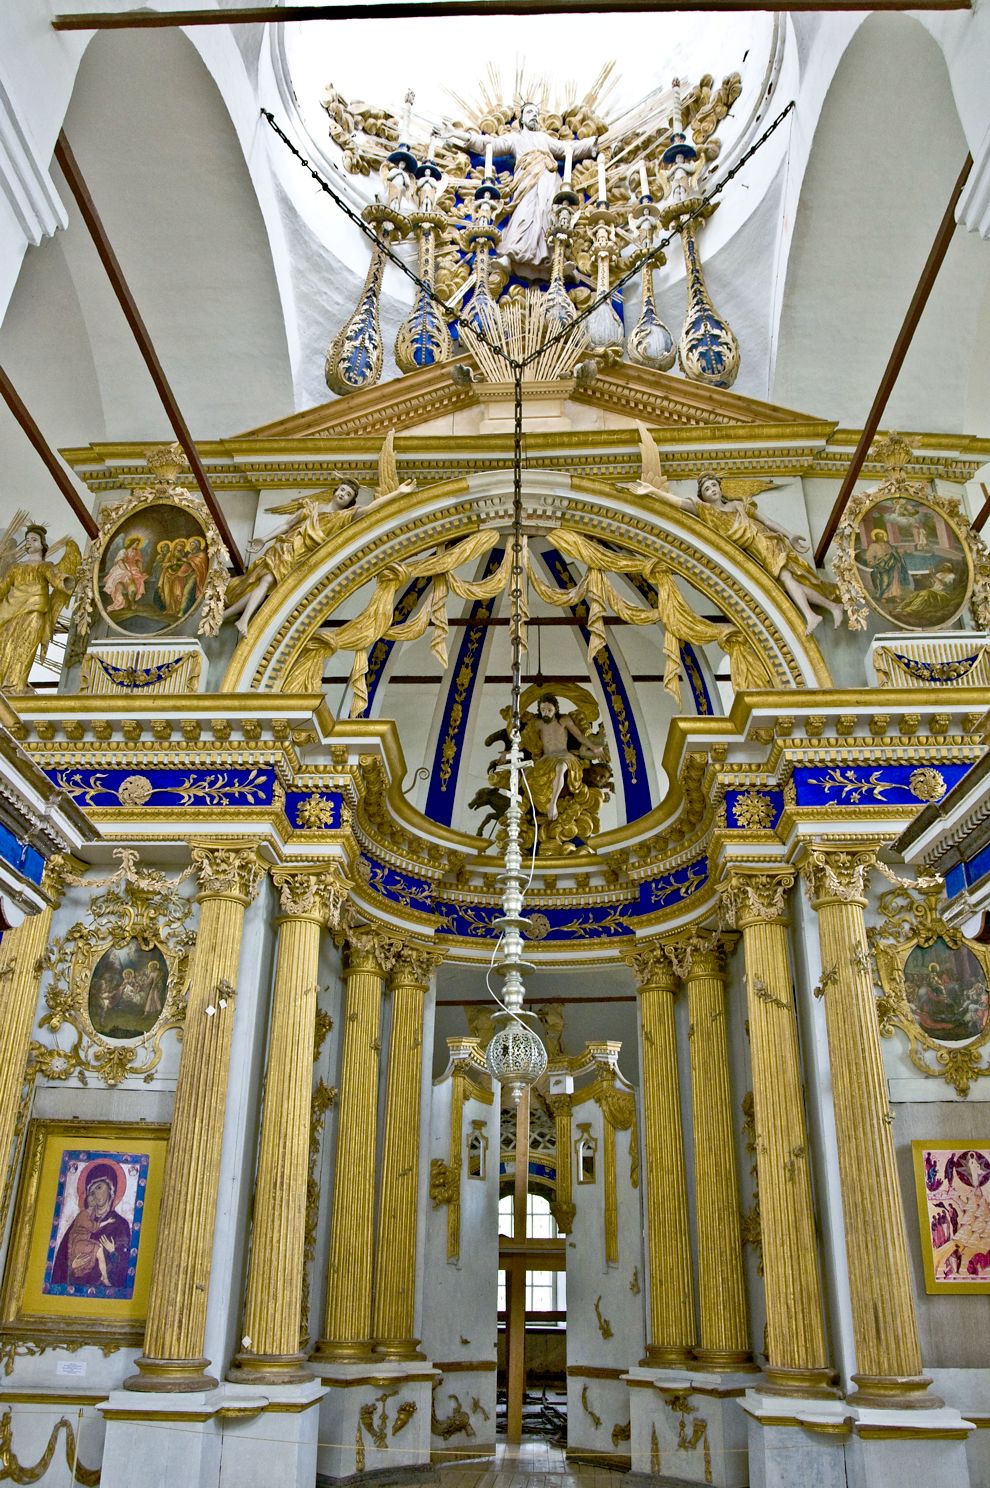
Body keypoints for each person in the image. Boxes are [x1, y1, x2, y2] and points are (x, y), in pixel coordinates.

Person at [446, 103, 598, 278]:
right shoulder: (515, 139)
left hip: (548, 178)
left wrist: (592, 143)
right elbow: (489, 144)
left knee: (547, 216)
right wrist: (456, 134)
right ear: (522, 119)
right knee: (523, 215)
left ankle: (553, 260)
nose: (534, 115)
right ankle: (511, 255)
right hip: (526, 179)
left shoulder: (544, 138)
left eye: (536, 113)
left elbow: (568, 149)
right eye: (529, 112)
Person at [224, 480, 360, 637]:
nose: (343, 494)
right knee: (266, 582)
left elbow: (366, 512)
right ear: (335, 490)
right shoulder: (313, 507)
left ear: (351, 502)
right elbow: (288, 525)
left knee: (263, 587)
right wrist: (264, 539)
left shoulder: (340, 519)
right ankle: (243, 620)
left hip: (299, 560)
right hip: (286, 549)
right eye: (342, 490)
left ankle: (227, 616)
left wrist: (394, 497)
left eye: (348, 494)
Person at [0, 525, 80, 691]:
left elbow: (57, 579)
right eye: (27, 539)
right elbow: (3, 588)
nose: (29, 542)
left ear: (43, 545)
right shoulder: (16, 568)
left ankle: (15, 686)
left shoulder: (45, 566)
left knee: (24, 647)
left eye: (33, 539)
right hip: (9, 612)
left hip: (34, 611)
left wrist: (68, 582)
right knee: (5, 646)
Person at [521, 693, 606, 822]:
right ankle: (537, 808)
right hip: (547, 758)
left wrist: (594, 747)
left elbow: (580, 736)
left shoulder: (564, 720)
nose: (546, 713)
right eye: (543, 710)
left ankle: (553, 804)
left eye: (549, 710)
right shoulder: (537, 724)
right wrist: (508, 753)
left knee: (560, 767)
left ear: (556, 709)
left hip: (564, 756)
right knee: (527, 778)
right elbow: (524, 740)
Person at [50, 1162, 131, 1292]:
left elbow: (125, 1268)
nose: (94, 1194)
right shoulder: (80, 1222)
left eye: (99, 1187)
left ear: (111, 1189)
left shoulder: (120, 1225)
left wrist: (112, 1252)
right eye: (91, 1192)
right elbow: (62, 1263)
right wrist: (72, 1266)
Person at [861, 526, 910, 600]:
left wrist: (899, 553)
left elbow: (894, 553)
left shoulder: (888, 545)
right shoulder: (873, 546)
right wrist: (872, 562)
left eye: (882, 536)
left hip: (892, 565)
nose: (881, 537)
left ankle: (895, 595)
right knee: (884, 581)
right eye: (879, 536)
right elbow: (869, 556)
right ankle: (883, 596)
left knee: (894, 580)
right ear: (876, 537)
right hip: (881, 565)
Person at [102, 534, 148, 613]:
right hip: (122, 568)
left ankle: (132, 603)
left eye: (138, 544)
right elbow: (120, 562)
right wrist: (127, 571)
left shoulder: (137, 552)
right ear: (132, 543)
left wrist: (140, 571)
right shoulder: (123, 551)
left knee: (133, 587)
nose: (137, 545)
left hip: (133, 568)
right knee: (119, 584)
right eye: (136, 543)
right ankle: (120, 602)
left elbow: (139, 562)